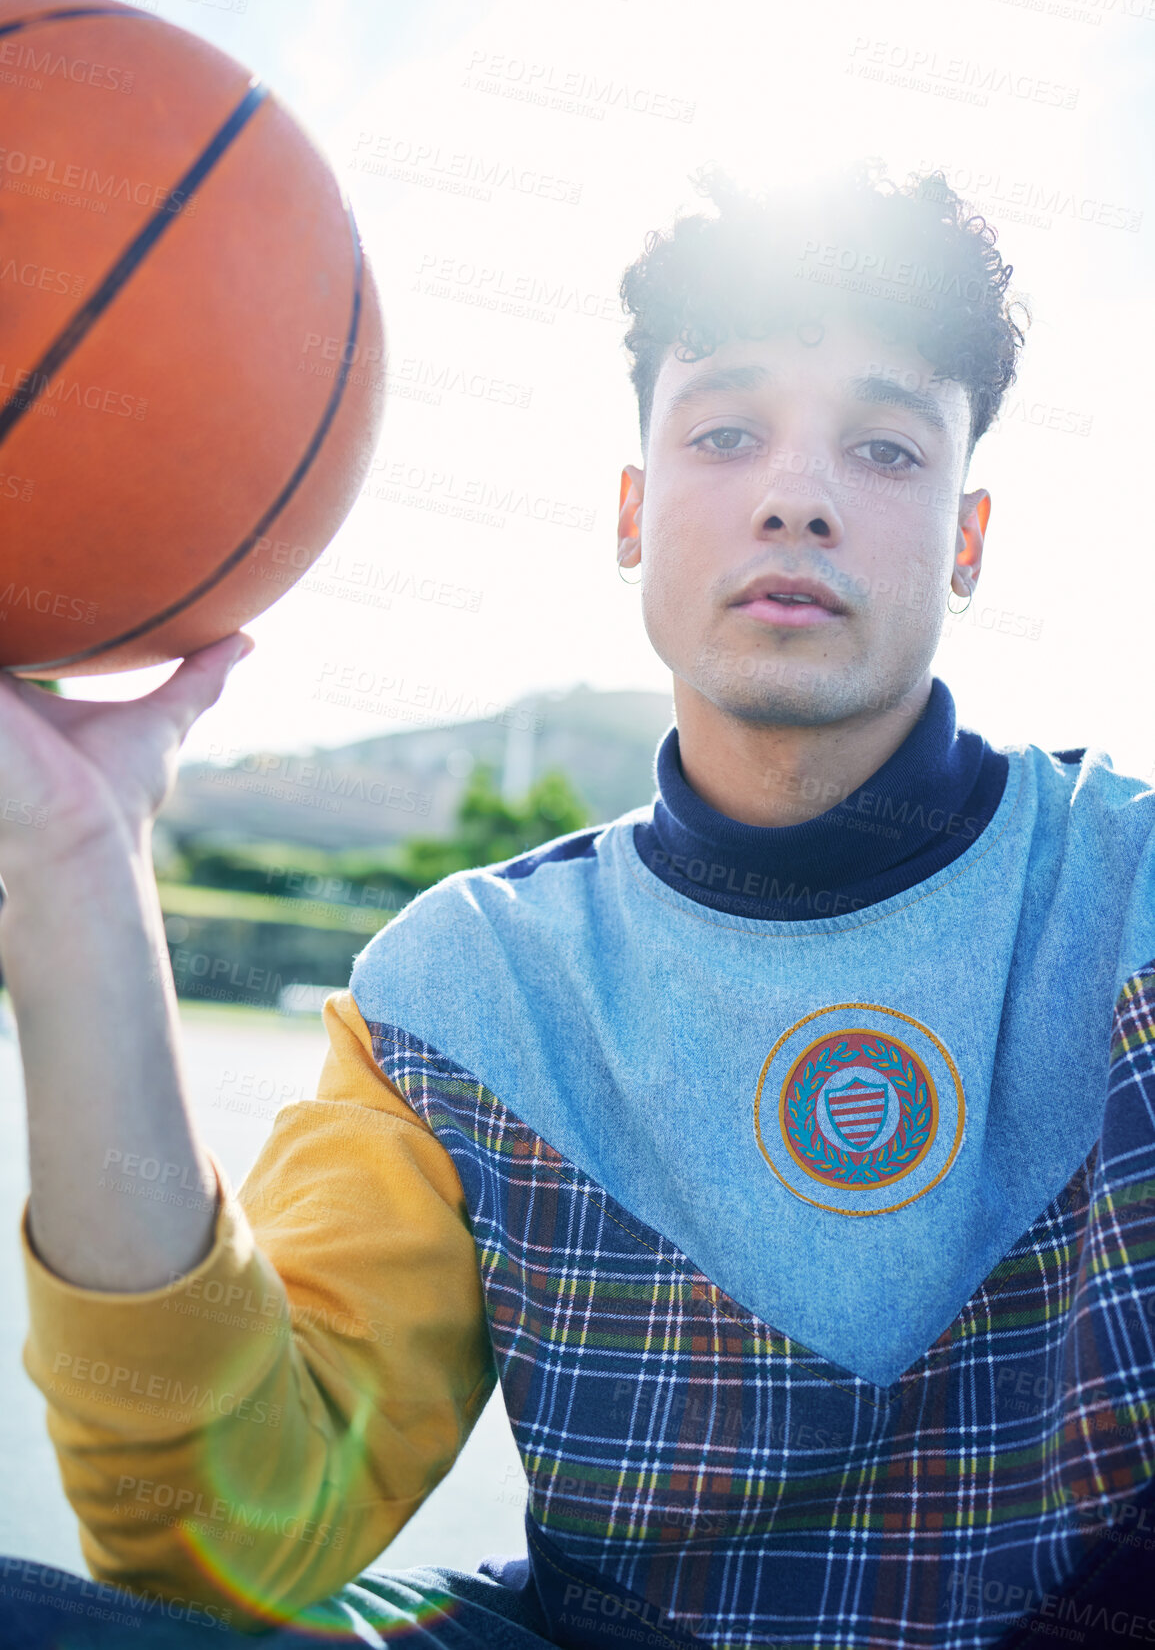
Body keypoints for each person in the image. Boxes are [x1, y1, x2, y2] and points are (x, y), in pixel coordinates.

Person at [2, 165, 1153, 1650]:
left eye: (882, 446)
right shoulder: (475, 985)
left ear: (970, 537)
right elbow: (218, 1534)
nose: (796, 494)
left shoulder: (1124, 896)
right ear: (633, 508)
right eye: (726, 432)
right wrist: (76, 872)